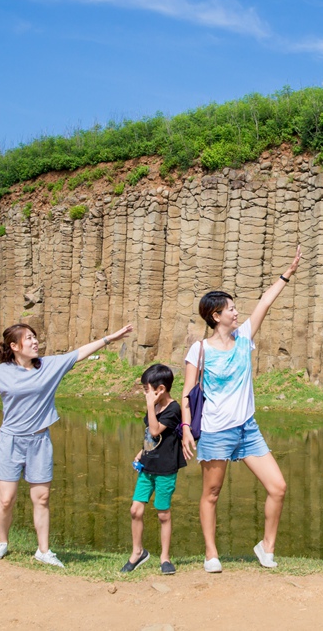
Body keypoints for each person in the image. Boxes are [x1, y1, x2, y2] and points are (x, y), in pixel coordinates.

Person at [0, 322, 133, 568]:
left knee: (41, 498)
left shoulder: (49, 366)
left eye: (35, 337)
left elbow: (81, 352)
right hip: (10, 441)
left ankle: (43, 550)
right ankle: (2, 542)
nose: (34, 342)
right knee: (6, 499)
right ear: (14, 346)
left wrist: (110, 338)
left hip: (40, 441)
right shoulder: (1, 373)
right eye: (28, 338)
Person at [181, 245, 302, 573]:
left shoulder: (244, 337)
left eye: (236, 308)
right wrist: (185, 430)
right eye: (231, 309)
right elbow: (188, 392)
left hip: (248, 428)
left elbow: (265, 301)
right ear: (215, 316)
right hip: (216, 431)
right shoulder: (200, 349)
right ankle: (211, 554)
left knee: (278, 487)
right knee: (212, 494)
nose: (237, 313)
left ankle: (266, 548)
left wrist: (286, 274)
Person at [122, 363, 186, 575]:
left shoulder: (173, 408)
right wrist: (142, 452)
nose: (145, 394)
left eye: (147, 390)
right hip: (147, 467)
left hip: (166, 469)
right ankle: (137, 552)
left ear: (161, 389)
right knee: (135, 509)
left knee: (163, 514)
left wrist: (150, 406)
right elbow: (150, 437)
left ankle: (165, 558)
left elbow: (156, 430)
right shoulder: (155, 406)